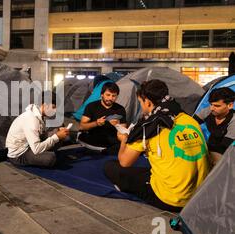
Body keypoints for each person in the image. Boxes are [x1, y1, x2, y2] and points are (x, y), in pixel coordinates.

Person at [104, 80, 211, 212]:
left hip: (173, 199)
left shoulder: (150, 126)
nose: (141, 107)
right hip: (200, 196)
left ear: (148, 102)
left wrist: (124, 139)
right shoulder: (188, 119)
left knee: (111, 167)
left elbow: (125, 162)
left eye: (141, 103)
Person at [6, 92, 70, 168]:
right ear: (45, 105)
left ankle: (47, 151)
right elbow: (36, 149)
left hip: (28, 145)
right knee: (50, 158)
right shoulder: (31, 120)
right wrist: (56, 136)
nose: (55, 110)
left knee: (59, 136)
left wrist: (58, 132)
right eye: (53, 107)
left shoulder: (37, 114)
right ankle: (45, 154)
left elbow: (40, 134)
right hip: (19, 155)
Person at [78, 82, 127, 154]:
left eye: (114, 96)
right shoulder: (91, 106)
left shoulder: (120, 109)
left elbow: (123, 133)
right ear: (102, 95)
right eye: (108, 95)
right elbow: (82, 127)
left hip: (112, 140)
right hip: (93, 138)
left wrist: (117, 125)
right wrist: (96, 123)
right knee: (82, 137)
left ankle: (103, 151)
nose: (110, 98)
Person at [194, 87, 235, 166]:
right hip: (211, 145)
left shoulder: (233, 120)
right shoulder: (208, 111)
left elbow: (225, 146)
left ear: (230, 105)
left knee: (216, 163)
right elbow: (191, 123)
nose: (212, 108)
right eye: (211, 104)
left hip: (228, 150)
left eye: (217, 106)